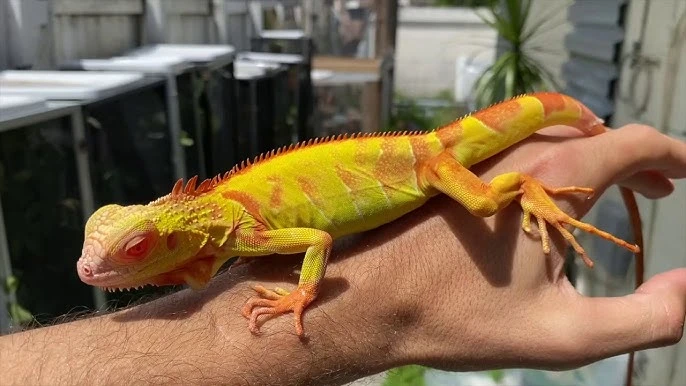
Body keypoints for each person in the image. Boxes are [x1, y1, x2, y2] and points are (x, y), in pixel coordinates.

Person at [1, 124, 685, 386]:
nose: (93, 272)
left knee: (483, 205)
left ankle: (525, 185)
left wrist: (305, 299)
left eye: (133, 251)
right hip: (421, 154)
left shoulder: (241, 232)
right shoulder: (224, 230)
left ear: (169, 237)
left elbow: (319, 241)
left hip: (428, 162)